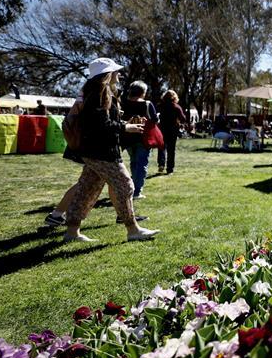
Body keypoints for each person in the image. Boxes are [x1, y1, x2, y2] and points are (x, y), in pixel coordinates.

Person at [62, 57, 158, 242]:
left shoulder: (97, 91)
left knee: (87, 189)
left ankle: (72, 232)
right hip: (102, 151)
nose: (119, 74)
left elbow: (101, 122)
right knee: (125, 185)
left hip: (94, 150)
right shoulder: (100, 92)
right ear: (107, 74)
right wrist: (125, 127)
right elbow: (99, 125)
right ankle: (133, 230)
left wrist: (124, 124)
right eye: (116, 71)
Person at [121, 81, 157, 200]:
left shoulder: (124, 103)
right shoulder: (147, 104)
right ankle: (137, 191)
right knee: (142, 164)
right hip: (143, 137)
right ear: (143, 92)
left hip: (128, 137)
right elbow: (155, 119)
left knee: (133, 162)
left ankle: (132, 188)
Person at [158, 89, 187, 175]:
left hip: (162, 129)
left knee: (161, 147)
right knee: (171, 150)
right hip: (173, 130)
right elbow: (183, 118)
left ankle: (161, 164)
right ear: (174, 97)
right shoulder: (176, 107)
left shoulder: (160, 106)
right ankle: (170, 169)